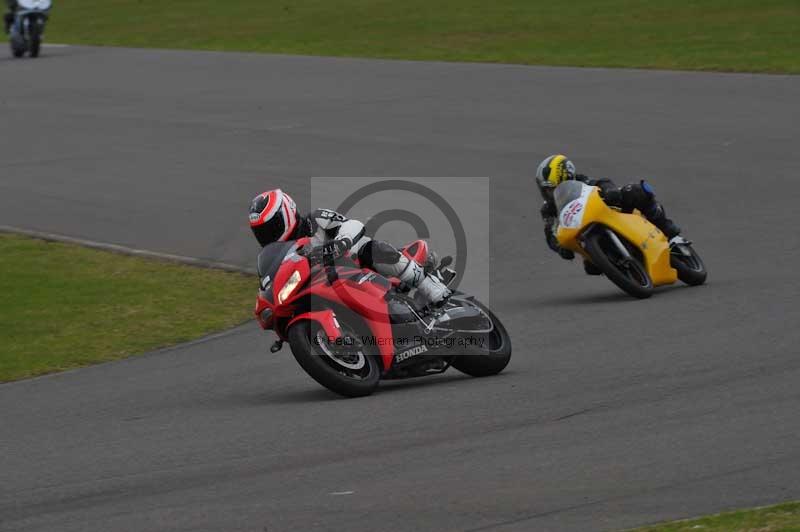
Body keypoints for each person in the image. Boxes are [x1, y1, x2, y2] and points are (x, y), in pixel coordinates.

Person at [248, 188, 451, 306]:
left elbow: (352, 225)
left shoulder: (315, 220)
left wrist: (341, 242)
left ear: (287, 212)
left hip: (354, 268)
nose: (269, 235)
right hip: (325, 289)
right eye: (262, 232)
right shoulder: (275, 255)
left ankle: (430, 286)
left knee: (369, 247)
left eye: (271, 227)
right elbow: (269, 284)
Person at [535, 154, 682, 274]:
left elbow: (602, 182)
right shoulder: (547, 209)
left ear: (567, 178)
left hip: (610, 212)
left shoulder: (581, 181)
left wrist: (609, 190)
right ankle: (623, 268)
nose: (549, 193)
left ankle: (672, 236)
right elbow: (550, 233)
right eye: (546, 189)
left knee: (635, 192)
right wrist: (559, 247)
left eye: (553, 188)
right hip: (584, 233)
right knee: (591, 268)